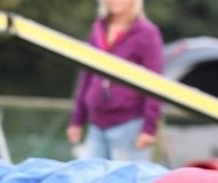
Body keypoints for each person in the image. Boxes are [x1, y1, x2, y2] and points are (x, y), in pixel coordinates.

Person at [67, 0, 163, 162]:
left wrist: (149, 128)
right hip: (96, 123)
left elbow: (155, 82)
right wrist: (77, 119)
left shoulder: (147, 33)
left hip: (129, 124)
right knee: (90, 178)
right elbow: (87, 75)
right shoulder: (98, 28)